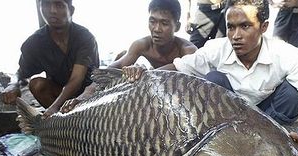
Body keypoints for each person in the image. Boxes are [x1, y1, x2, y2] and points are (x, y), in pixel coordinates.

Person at [154, 0, 298, 156]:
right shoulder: (216, 49)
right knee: (213, 79)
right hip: (229, 123)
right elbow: (178, 67)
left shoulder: (286, 54)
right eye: (231, 27)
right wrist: (144, 75)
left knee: (292, 93)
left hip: (271, 121)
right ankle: (224, 147)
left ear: (263, 27)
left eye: (245, 26)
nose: (236, 35)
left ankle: (274, 145)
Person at [60, 0, 197, 112]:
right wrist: (83, 97)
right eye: (152, 21)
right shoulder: (141, 45)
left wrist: (143, 73)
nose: (156, 29)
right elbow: (111, 70)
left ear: (177, 26)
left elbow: (184, 74)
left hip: (177, 98)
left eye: (164, 23)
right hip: (149, 95)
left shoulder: (188, 51)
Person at [2, 0, 99, 118]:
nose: (52, 10)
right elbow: (21, 73)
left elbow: (76, 79)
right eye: (46, 4)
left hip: (90, 95)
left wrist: (55, 107)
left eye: (59, 5)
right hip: (59, 94)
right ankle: (61, 123)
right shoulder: (34, 42)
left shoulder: (84, 37)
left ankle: (66, 116)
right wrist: (13, 84)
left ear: (71, 10)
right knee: (37, 84)